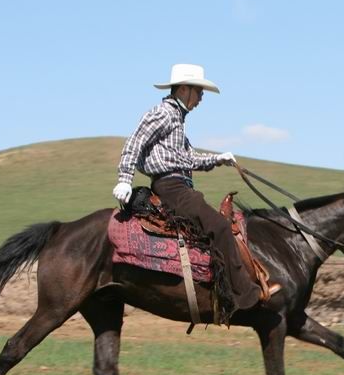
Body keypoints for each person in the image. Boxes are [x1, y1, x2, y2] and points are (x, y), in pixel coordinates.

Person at [112, 63, 262, 310]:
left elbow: (189, 159)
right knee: (219, 227)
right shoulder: (163, 113)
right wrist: (124, 178)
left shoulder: (178, 121)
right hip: (172, 187)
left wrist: (219, 159)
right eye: (199, 91)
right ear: (184, 89)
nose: (202, 97)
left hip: (180, 186)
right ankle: (244, 295)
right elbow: (135, 141)